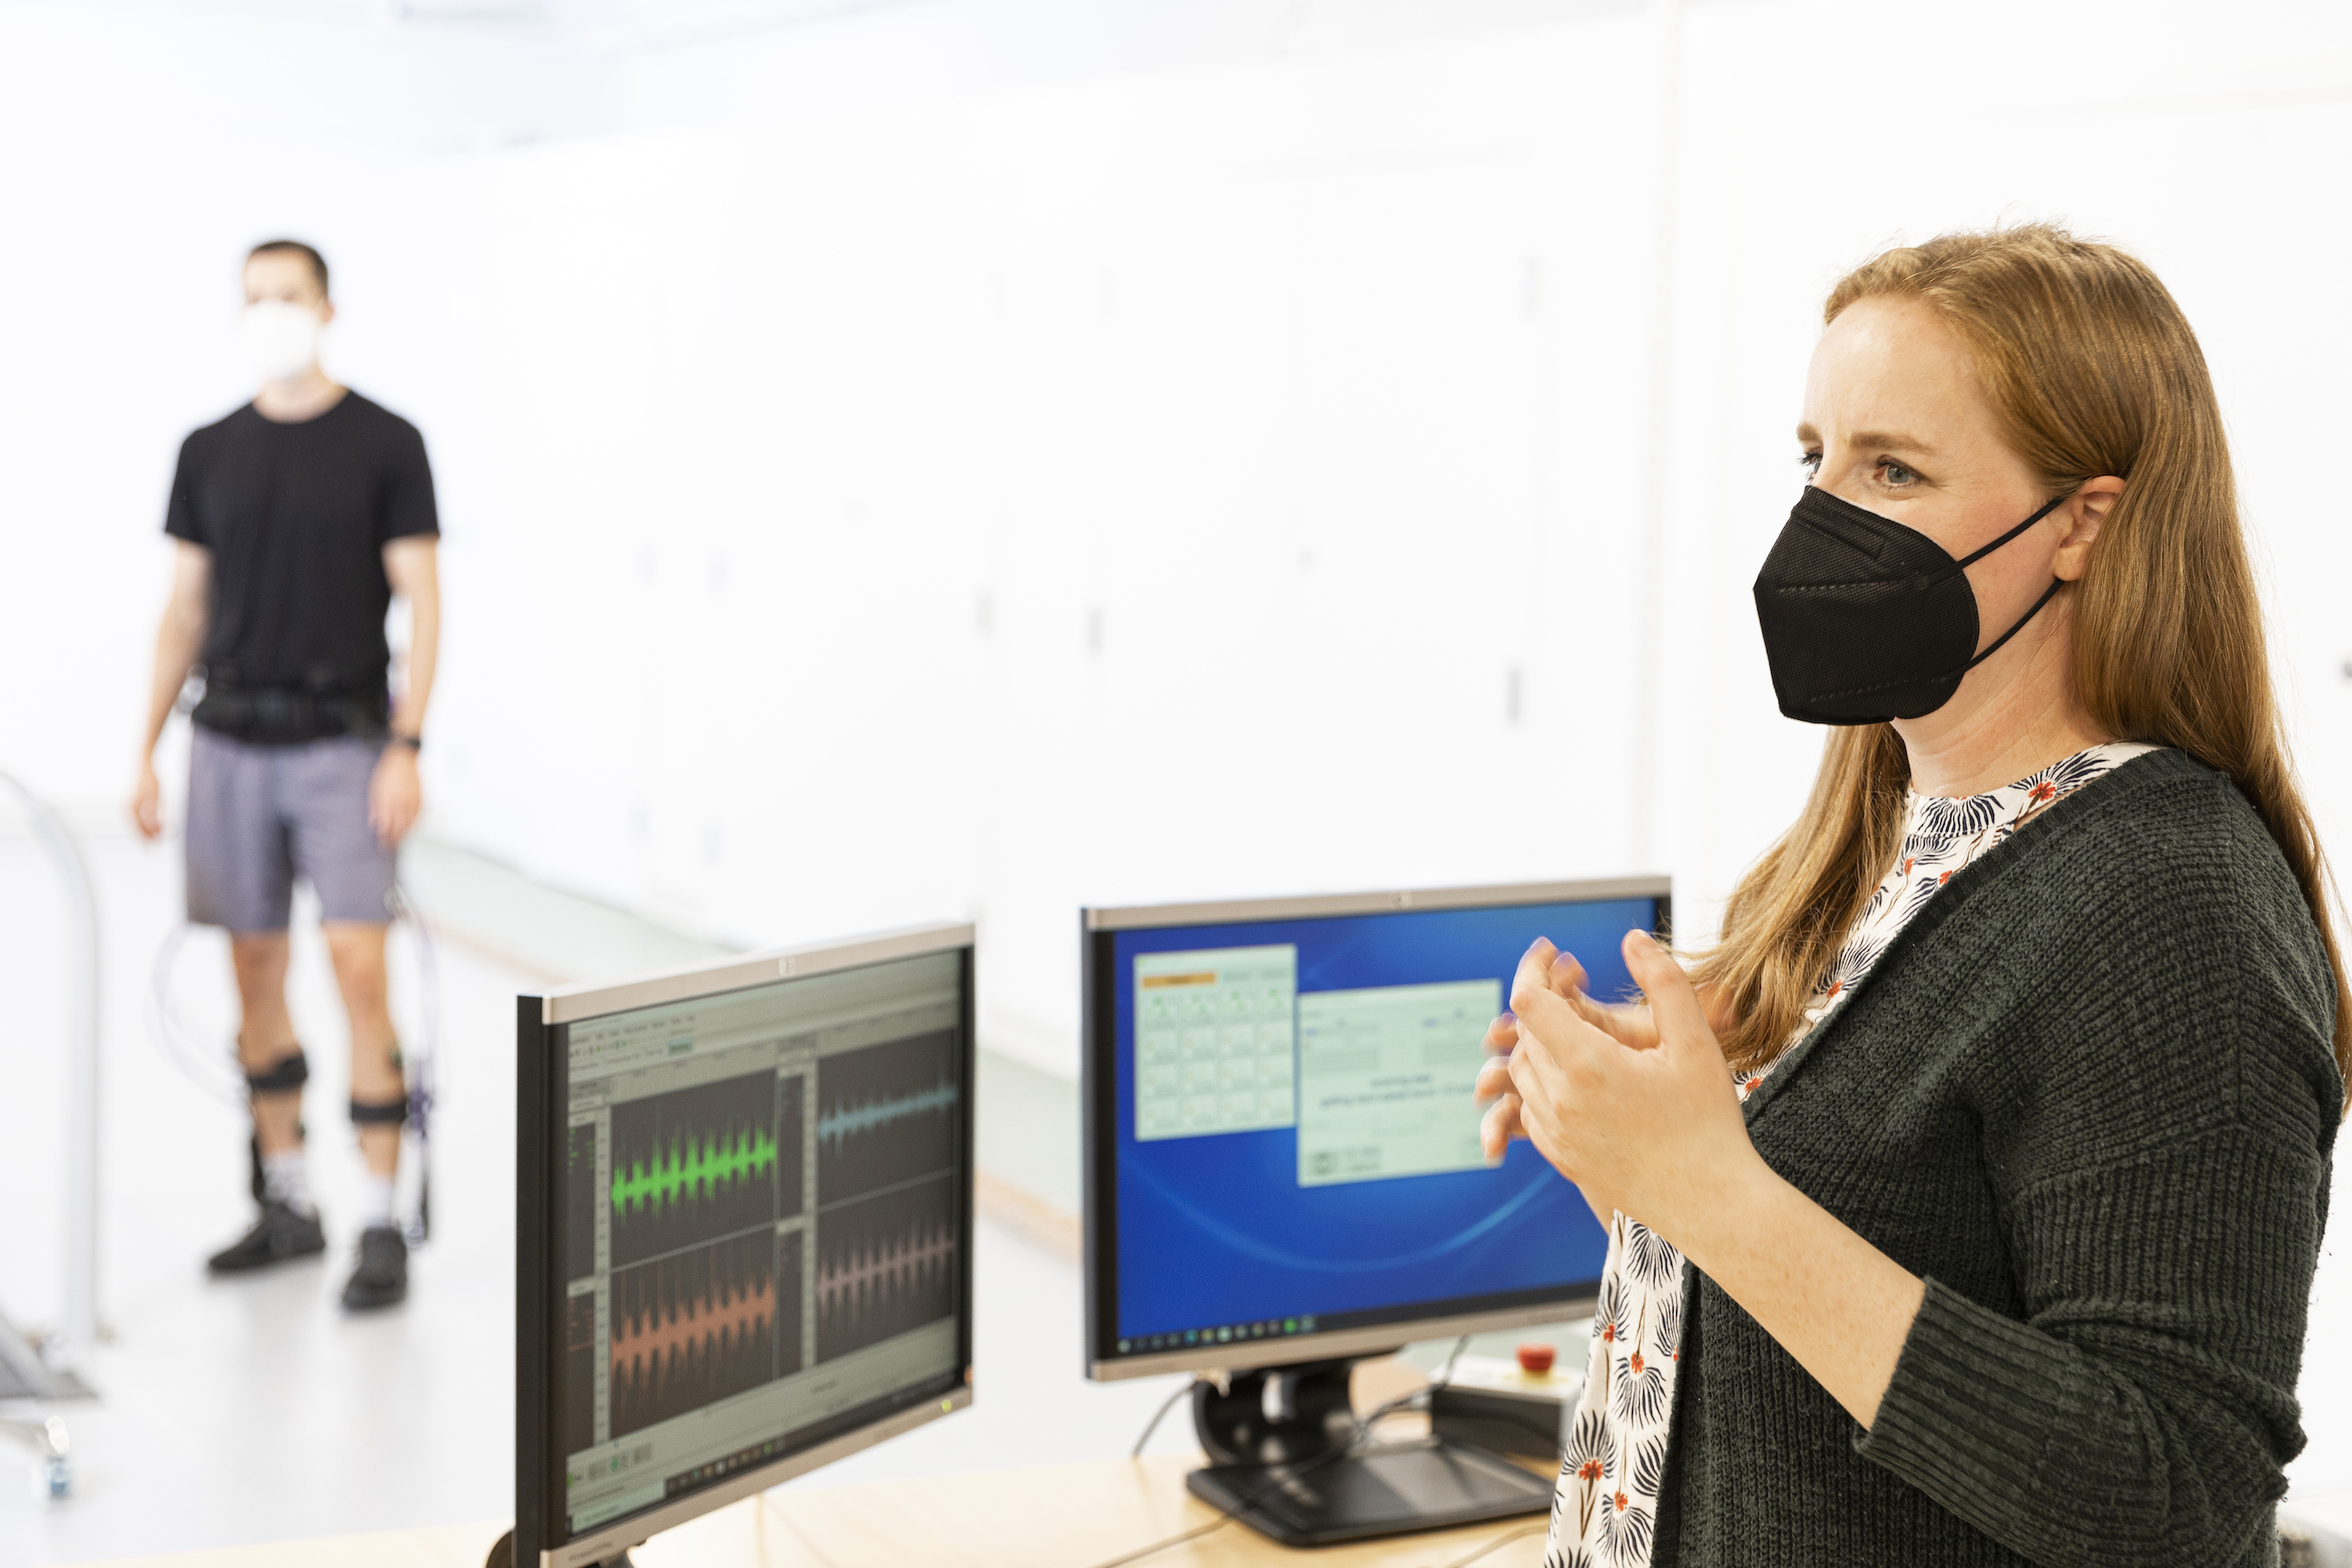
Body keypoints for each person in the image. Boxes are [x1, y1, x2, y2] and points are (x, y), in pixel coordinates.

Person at [1477, 224, 2345, 1566]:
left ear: (2080, 524)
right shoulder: (1882, 844)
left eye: (1893, 469)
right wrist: (1632, 1150)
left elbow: (2173, 1497)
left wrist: (1714, 1188)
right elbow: (1823, 1334)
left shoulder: (2171, 904)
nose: (1821, 514)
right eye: (1813, 456)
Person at [130, 239, 442, 1313]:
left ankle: (383, 1215)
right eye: (255, 298)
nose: (273, 313)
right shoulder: (207, 450)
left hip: (343, 745)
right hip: (228, 744)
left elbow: (425, 601)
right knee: (253, 973)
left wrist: (407, 743)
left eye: (289, 296)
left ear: (328, 306)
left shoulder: (386, 442)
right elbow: (186, 610)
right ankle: (288, 1196)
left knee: (360, 968)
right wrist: (145, 746)